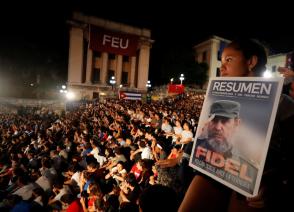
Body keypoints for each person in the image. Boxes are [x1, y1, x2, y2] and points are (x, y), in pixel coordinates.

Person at [179, 38, 294, 212]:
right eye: (222, 60)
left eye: (229, 60)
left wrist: (276, 182)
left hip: (253, 185)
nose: (222, 66)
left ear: (251, 62)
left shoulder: (281, 102)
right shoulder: (216, 97)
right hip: (213, 172)